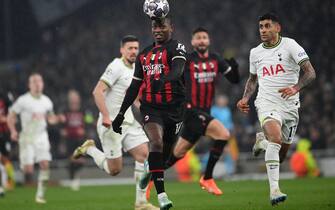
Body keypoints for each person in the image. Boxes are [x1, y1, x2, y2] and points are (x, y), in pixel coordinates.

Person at [236, 13, 316, 205]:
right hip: (266, 102)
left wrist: (295, 88)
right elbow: (252, 79)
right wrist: (245, 97)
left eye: (267, 26)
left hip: (290, 105)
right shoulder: (255, 52)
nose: (263, 30)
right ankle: (274, 191)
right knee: (276, 139)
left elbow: (310, 72)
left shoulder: (290, 45)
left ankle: (262, 143)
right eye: (261, 27)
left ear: (277, 28)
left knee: (280, 156)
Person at [72, 35, 158, 210]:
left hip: (128, 122)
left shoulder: (137, 68)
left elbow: (132, 95)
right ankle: (89, 149)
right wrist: (105, 116)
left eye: (136, 48)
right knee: (114, 170)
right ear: (122, 50)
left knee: (144, 154)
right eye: (130, 48)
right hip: (111, 124)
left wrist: (144, 109)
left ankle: (140, 202)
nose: (134, 51)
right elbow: (97, 92)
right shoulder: (115, 66)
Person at [112, 17, 187, 210]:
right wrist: (121, 114)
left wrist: (163, 79)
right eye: (155, 26)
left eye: (162, 26)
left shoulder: (177, 47)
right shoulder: (144, 55)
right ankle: (161, 195)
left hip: (175, 110)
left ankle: (148, 169)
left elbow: (178, 71)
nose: (158, 30)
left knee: (165, 156)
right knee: (156, 142)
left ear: (171, 27)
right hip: (151, 108)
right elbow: (134, 86)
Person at [164, 27, 239, 196]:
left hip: (204, 113)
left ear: (209, 40)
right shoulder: (187, 60)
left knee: (178, 153)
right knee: (224, 134)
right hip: (190, 111)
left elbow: (234, 80)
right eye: (198, 38)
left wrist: (234, 67)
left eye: (204, 37)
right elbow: (172, 77)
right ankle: (207, 177)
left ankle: (150, 176)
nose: (201, 40)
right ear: (192, 42)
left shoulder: (216, 59)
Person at [7, 73, 61, 204]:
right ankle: (18, 174)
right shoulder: (23, 100)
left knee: (45, 164)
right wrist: (13, 131)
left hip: (42, 136)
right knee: (28, 170)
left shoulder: (47, 101)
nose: (37, 83)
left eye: (39, 81)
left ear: (42, 84)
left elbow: (51, 118)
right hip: (27, 137)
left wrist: (57, 119)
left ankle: (40, 195)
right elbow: (11, 116)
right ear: (29, 85)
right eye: (34, 81)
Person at [59, 89, 86, 191]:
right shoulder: (65, 110)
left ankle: (74, 177)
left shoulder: (83, 110)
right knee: (72, 160)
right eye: (72, 97)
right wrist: (62, 130)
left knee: (81, 161)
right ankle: (73, 179)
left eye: (75, 97)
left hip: (80, 139)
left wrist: (85, 129)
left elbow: (89, 120)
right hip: (69, 140)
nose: (74, 99)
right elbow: (60, 123)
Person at [0, 88, 14, 197]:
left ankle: (8, 182)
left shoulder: (4, 99)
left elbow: (11, 116)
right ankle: (3, 185)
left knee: (5, 159)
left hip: (3, 133)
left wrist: (6, 119)